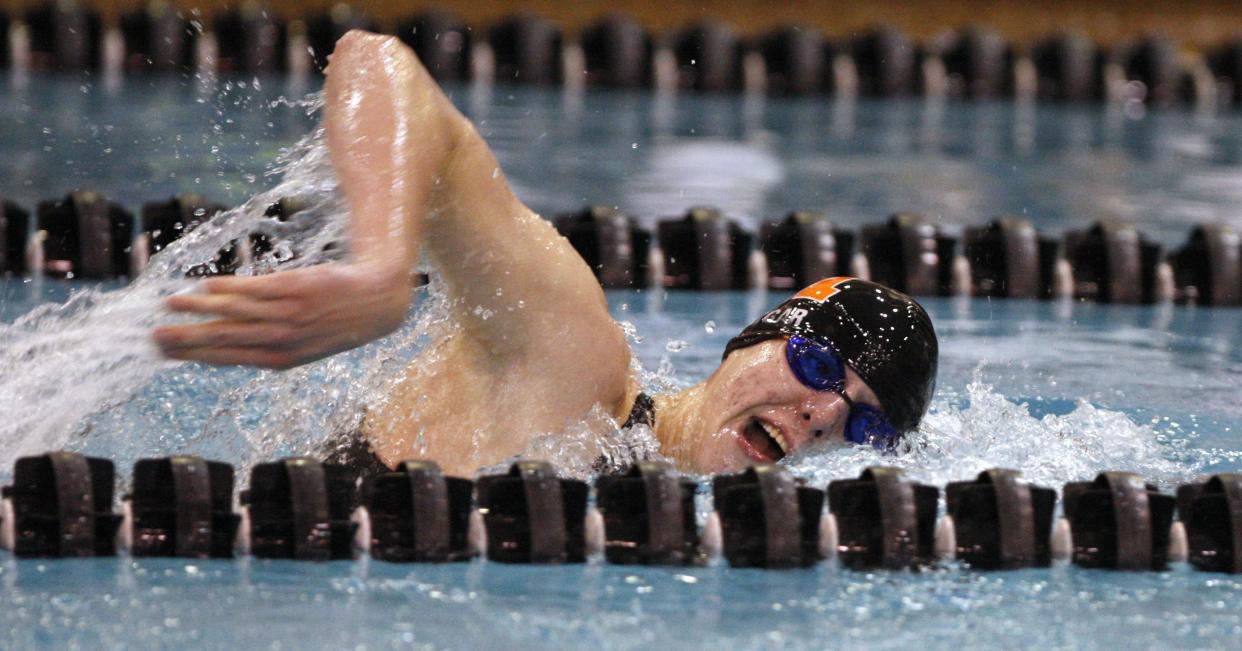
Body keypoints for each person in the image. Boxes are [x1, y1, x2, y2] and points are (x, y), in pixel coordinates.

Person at [152, 31, 938, 477]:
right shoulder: (573, 361)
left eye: (861, 425)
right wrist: (381, 273)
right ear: (755, 338)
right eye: (819, 366)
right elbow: (379, 64)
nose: (823, 412)